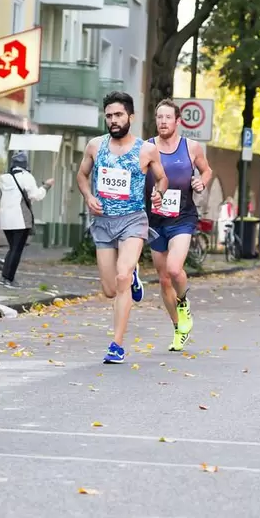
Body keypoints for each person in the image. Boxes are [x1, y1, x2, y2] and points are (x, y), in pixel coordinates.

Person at [77, 91, 167, 364]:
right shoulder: (95, 145)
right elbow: (82, 175)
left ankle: (116, 344)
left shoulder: (146, 150)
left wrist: (159, 193)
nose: (113, 121)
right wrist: (89, 196)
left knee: (122, 276)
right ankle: (133, 277)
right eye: (109, 116)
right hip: (103, 222)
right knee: (108, 289)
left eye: (118, 115)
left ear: (130, 116)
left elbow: (161, 179)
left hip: (133, 220)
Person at [147, 99, 212, 352]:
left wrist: (201, 182)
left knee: (174, 270)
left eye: (167, 117)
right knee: (163, 280)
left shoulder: (191, 147)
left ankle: (183, 303)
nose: (163, 122)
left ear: (177, 121)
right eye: (159, 117)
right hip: (155, 218)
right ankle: (178, 328)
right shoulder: (147, 147)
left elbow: (206, 171)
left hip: (182, 217)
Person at [0, 151, 53, 288]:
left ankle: (5, 277)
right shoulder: (27, 177)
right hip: (21, 219)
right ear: (25, 164)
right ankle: (8, 278)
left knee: (12, 248)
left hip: (5, 220)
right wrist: (46, 186)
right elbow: (36, 196)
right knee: (16, 249)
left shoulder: (3, 178)